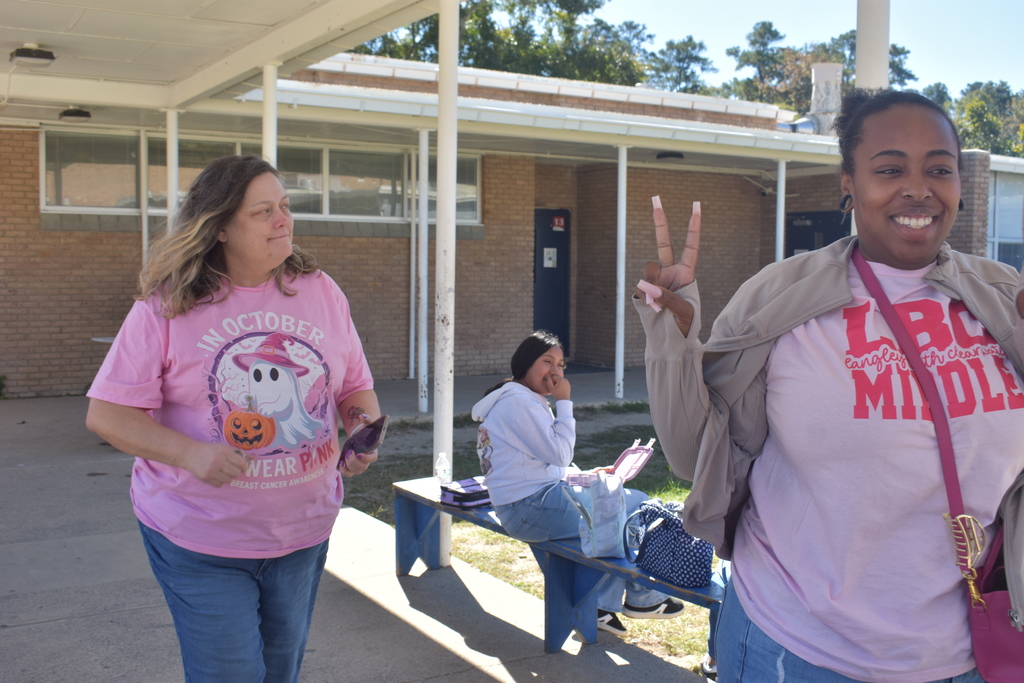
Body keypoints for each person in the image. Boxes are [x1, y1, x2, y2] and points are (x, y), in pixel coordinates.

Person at [634, 88, 1024, 682]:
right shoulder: (778, 298)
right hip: (794, 644)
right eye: (890, 168)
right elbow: (693, 456)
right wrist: (672, 335)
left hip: (968, 650)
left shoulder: (1001, 296)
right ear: (848, 181)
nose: (918, 188)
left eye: (938, 169)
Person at [86, 154, 382, 683]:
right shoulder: (168, 305)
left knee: (279, 670)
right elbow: (108, 414)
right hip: (198, 538)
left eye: (286, 207)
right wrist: (191, 453)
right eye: (263, 211)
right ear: (220, 227)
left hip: (303, 530)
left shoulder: (321, 291)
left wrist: (361, 429)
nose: (283, 220)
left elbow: (354, 385)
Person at [471, 330, 685, 636]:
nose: (556, 372)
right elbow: (558, 453)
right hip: (529, 509)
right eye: (548, 362)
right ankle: (640, 597)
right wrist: (565, 403)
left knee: (617, 507)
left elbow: (534, 466)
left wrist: (585, 474)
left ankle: (600, 605)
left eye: (561, 365)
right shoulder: (520, 403)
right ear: (525, 363)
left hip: (527, 504)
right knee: (630, 507)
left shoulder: (518, 399)